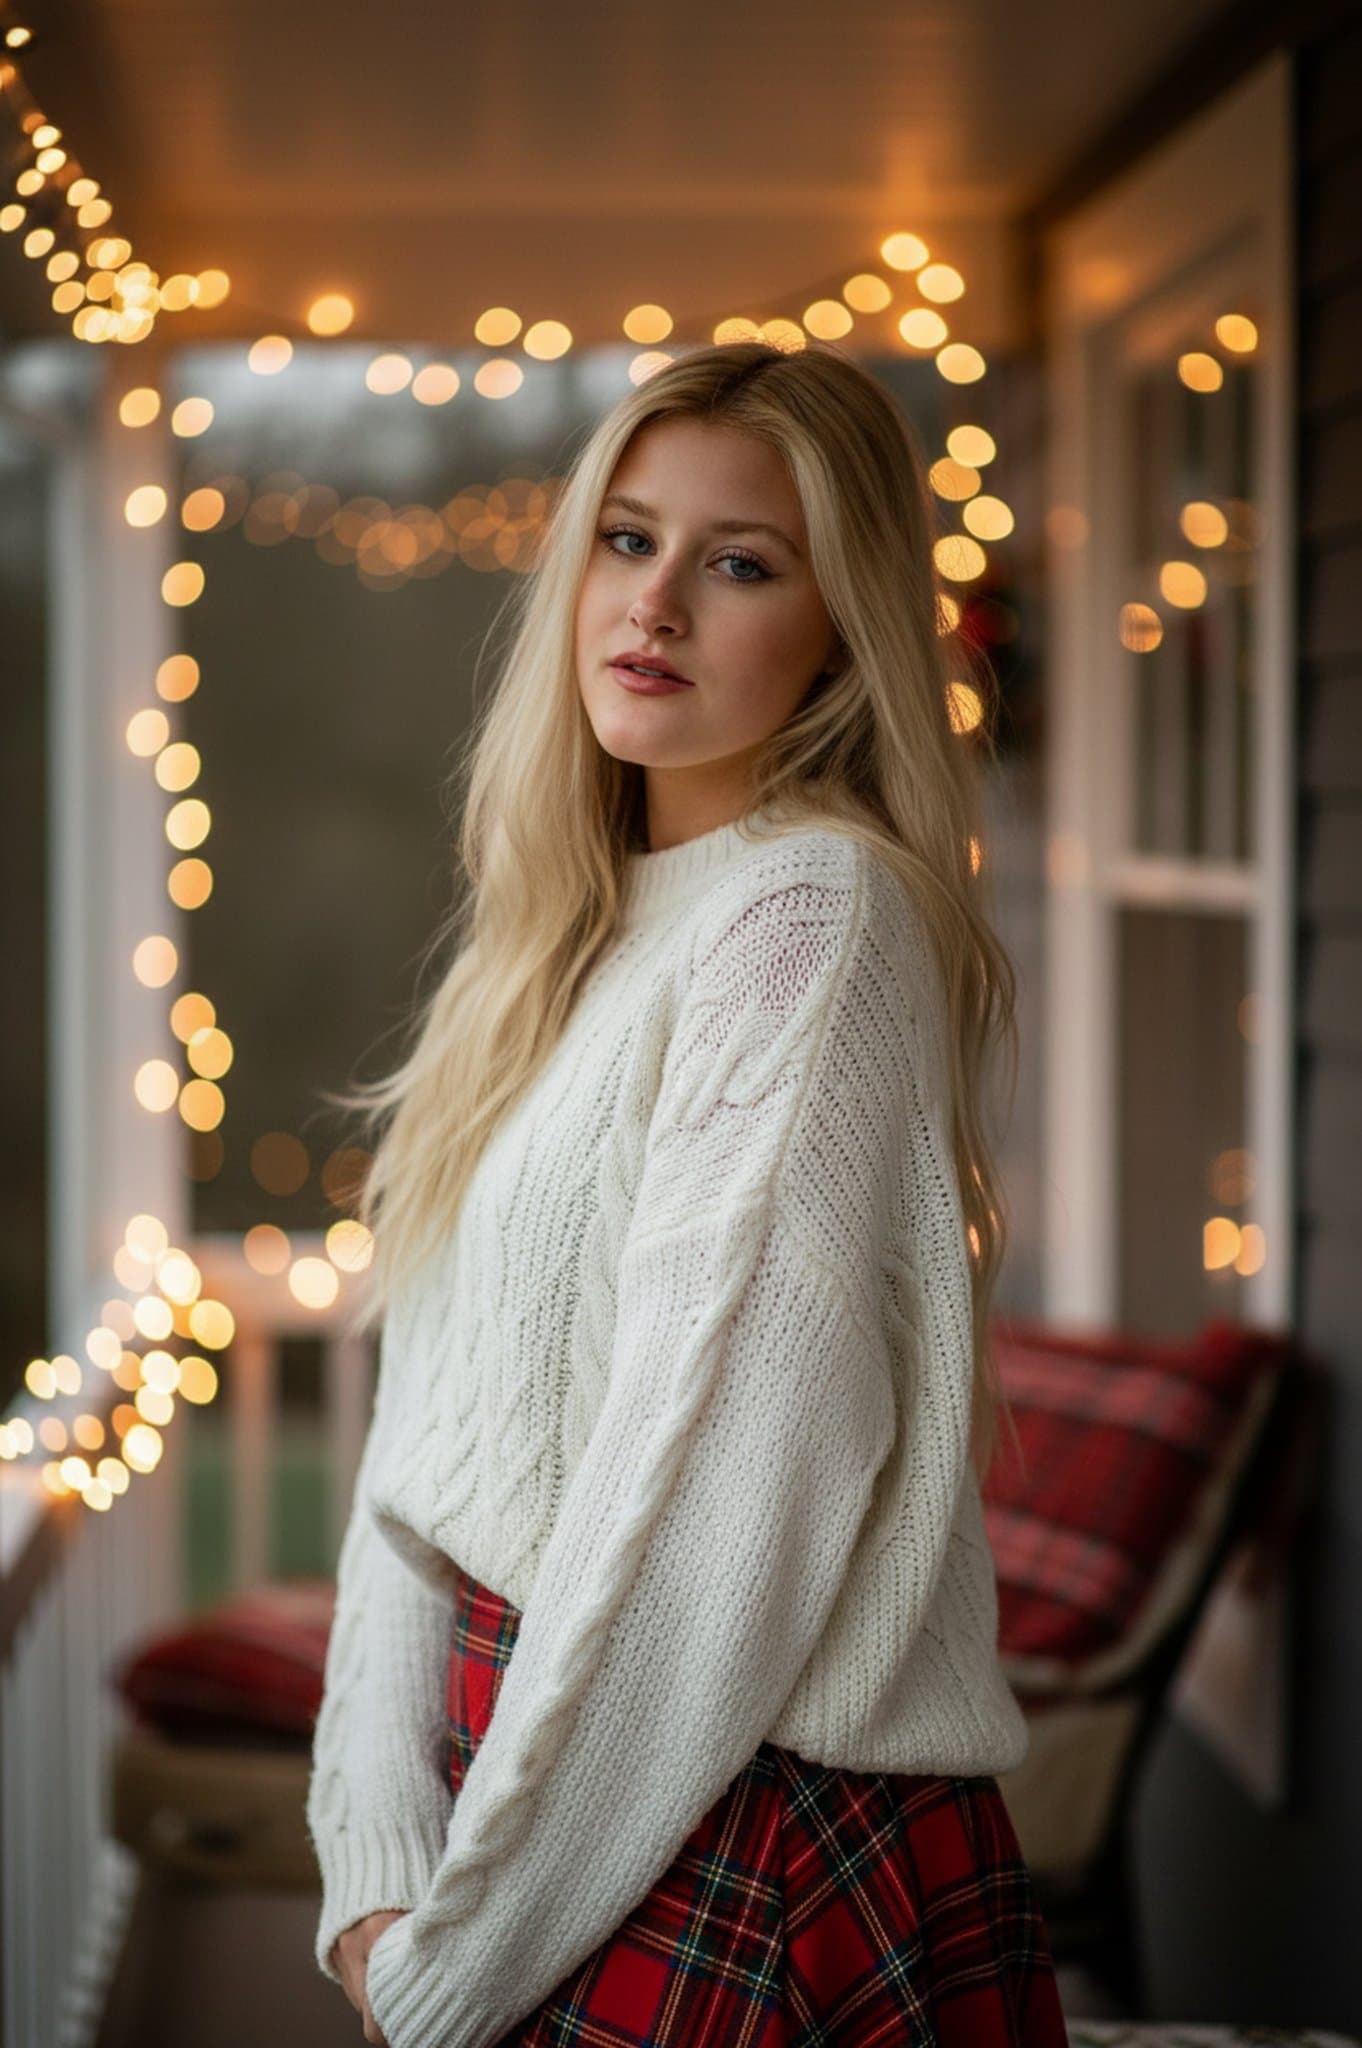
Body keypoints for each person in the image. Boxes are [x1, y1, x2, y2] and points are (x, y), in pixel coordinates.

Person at [306, 339, 1070, 2048]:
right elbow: (412, 1460)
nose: (654, 606)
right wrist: (372, 1855)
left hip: (718, 1811)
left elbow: (726, 1502)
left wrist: (450, 1962)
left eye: (740, 563)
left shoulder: (807, 922)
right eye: (627, 539)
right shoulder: (550, 941)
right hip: (525, 1810)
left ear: (836, 629)